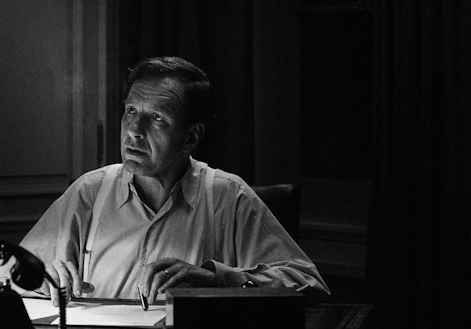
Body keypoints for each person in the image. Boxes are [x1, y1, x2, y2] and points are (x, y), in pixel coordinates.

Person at [18, 56, 329, 306]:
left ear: (190, 137)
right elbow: (6, 275)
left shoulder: (228, 197)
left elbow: (310, 285)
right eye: (131, 111)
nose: (133, 131)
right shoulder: (90, 191)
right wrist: (41, 278)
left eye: (156, 118)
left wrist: (219, 280)